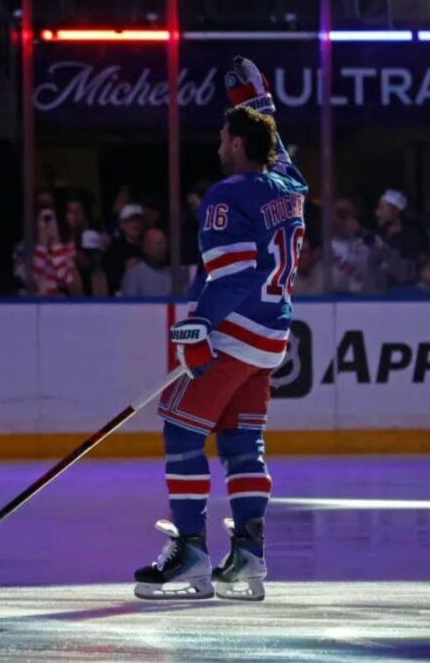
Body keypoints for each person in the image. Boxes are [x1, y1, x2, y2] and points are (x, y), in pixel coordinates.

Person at [132, 57, 307, 602]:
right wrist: (259, 106)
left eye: (225, 134)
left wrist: (200, 324)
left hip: (232, 335)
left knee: (182, 432)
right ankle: (250, 554)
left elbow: (233, 276)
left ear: (236, 145)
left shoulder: (227, 194)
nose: (218, 142)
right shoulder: (290, 187)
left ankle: (190, 550)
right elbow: (277, 152)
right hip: (271, 339)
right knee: (242, 440)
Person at [373, 189, 426, 290]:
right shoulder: (379, 233)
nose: (377, 213)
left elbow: (410, 268)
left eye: (382, 209)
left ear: (396, 211)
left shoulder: (413, 236)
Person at [101, 203, 146, 295]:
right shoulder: (113, 251)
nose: (135, 224)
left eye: (138, 220)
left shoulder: (148, 247)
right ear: (122, 224)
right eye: (131, 221)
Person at [120, 227, 171, 296]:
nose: (163, 248)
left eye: (165, 244)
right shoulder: (134, 275)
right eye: (159, 244)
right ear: (145, 247)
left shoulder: (170, 274)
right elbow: (129, 304)